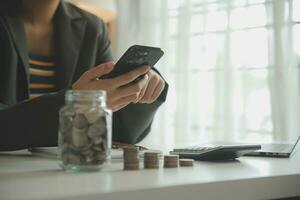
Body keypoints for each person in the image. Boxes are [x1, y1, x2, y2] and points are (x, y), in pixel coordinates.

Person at [0, 0, 168, 151]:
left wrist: (139, 83)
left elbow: (116, 130)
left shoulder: (92, 27)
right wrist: (77, 103)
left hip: (70, 169)